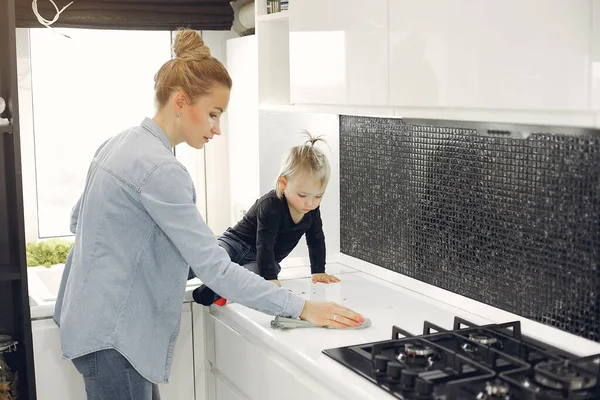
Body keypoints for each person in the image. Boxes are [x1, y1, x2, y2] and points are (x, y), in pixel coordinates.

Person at [53, 28, 363, 400]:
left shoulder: (119, 143)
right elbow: (215, 269)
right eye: (214, 114)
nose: (217, 128)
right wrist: (301, 307)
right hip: (116, 338)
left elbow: (79, 221)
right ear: (181, 102)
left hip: (92, 325)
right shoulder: (162, 170)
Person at [193, 132, 340, 307]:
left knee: (249, 276)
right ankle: (172, 272)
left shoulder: (311, 210)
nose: (310, 203)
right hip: (236, 243)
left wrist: (318, 271)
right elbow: (265, 244)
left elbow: (316, 239)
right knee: (213, 255)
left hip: (260, 261)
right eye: (303, 195)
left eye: (318, 196)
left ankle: (211, 291)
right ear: (284, 184)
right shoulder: (271, 205)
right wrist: (270, 278)